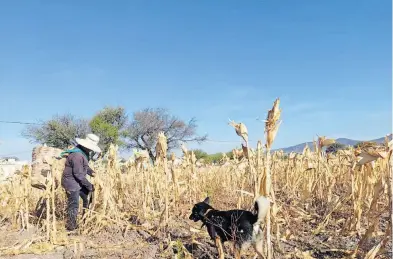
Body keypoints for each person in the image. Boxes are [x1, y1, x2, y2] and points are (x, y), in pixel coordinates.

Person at [61, 133, 101, 232]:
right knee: (74, 204)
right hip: (71, 183)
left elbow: (85, 167)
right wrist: (89, 185)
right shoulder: (77, 155)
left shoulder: (82, 153)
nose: (91, 149)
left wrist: (92, 172)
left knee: (87, 197)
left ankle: (85, 219)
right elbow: (78, 174)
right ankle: (71, 226)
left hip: (77, 181)